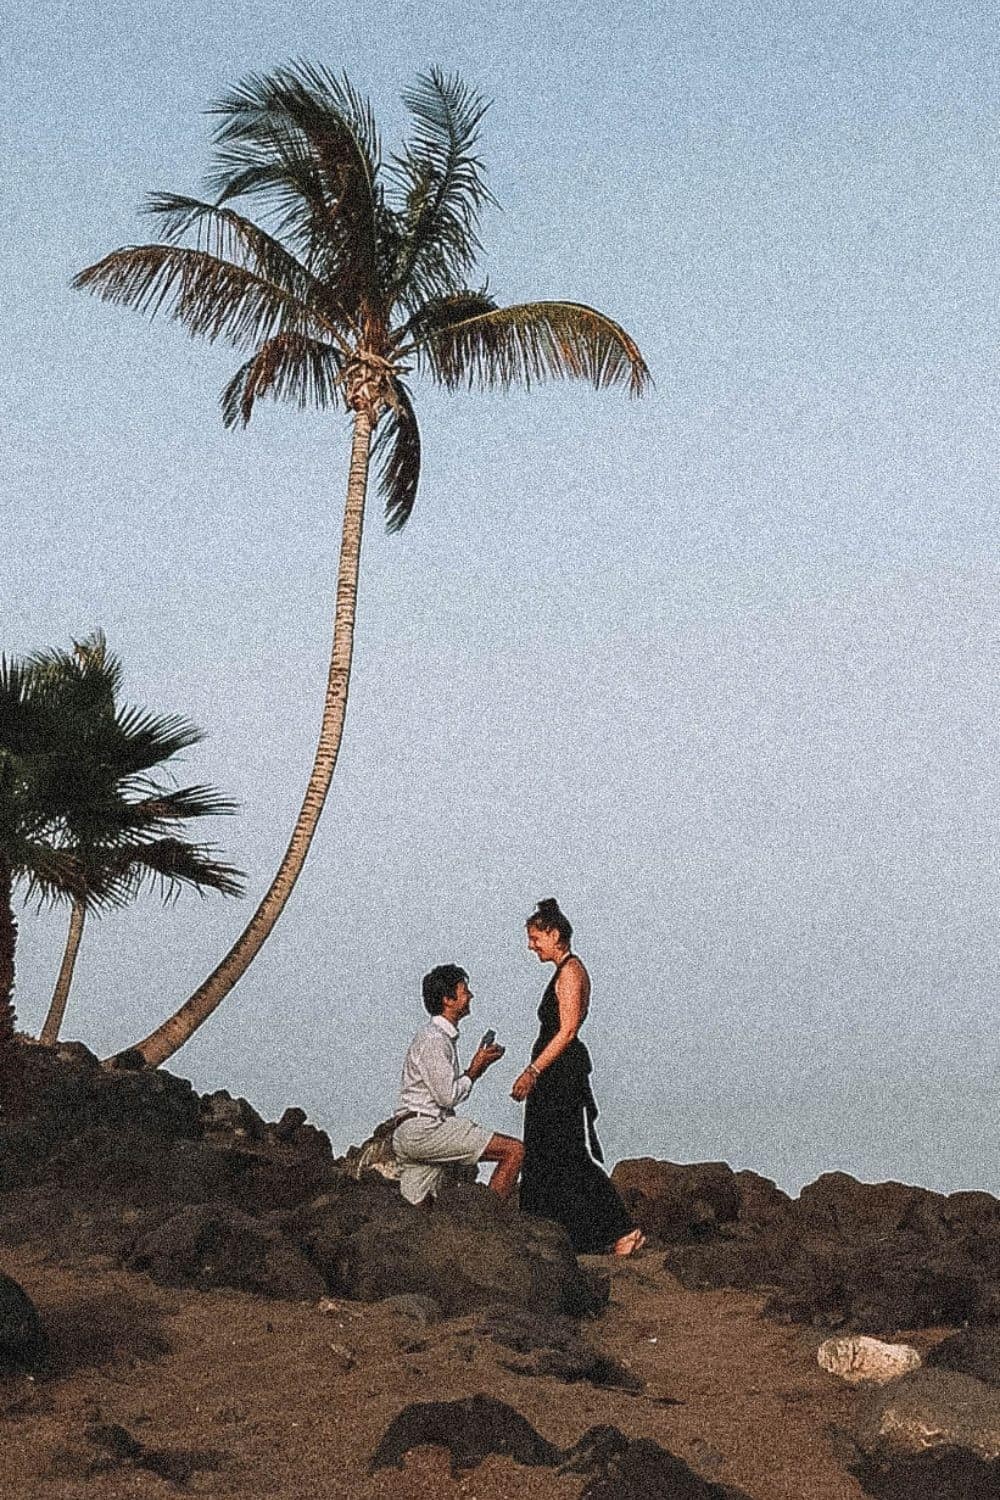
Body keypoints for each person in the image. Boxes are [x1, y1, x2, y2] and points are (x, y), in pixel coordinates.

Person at [511, 899, 645, 1256]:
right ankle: (555, 1234)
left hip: (560, 1074)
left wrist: (533, 1071)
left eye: (535, 937)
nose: (531, 945)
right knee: (545, 1153)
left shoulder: (570, 972)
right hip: (556, 1073)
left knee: (566, 1152)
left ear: (555, 935)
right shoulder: (566, 971)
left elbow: (567, 1030)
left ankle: (621, 1229)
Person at [392, 963, 524, 1207]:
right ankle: (486, 1219)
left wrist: (474, 1069)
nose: (471, 996)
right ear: (448, 1000)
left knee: (418, 1209)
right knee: (514, 1151)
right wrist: (475, 1071)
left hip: (411, 1132)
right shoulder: (434, 1040)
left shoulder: (436, 1037)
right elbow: (447, 1097)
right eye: (465, 991)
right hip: (425, 1130)